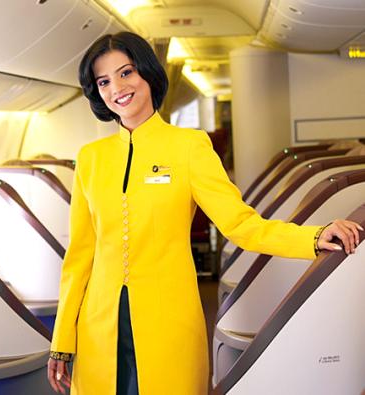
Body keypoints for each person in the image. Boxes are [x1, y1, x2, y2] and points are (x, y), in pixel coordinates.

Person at [46, 31, 362, 395]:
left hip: (169, 322)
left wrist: (314, 236)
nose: (116, 87)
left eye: (126, 72)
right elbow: (79, 256)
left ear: (147, 73)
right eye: (103, 81)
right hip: (98, 327)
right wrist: (62, 339)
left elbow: (241, 225)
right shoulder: (90, 158)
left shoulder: (189, 147)